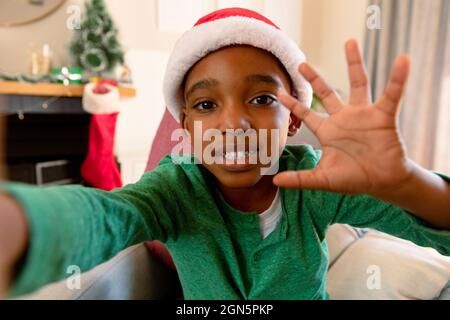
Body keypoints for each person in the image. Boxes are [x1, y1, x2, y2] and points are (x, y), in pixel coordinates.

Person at [0, 8, 449, 300]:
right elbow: (108, 215)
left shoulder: (315, 183)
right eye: (206, 105)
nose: (233, 125)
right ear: (188, 129)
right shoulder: (177, 188)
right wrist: (20, 220)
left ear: (292, 120)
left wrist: (405, 182)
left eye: (260, 99)